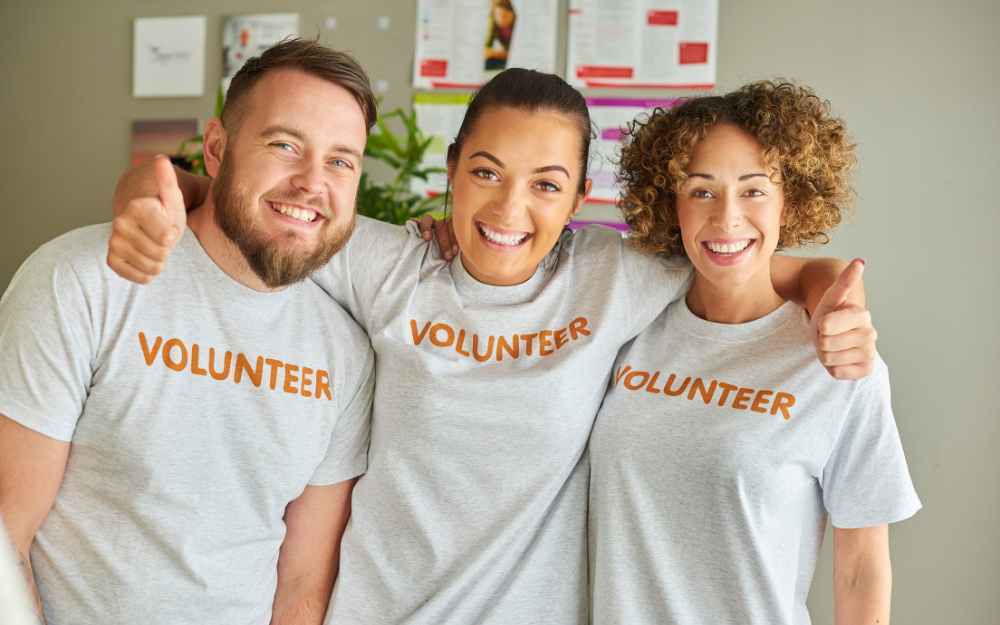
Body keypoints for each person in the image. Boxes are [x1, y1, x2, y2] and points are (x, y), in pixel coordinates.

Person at [106, 67, 877, 625]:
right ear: (451, 173)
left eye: (546, 184)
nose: (510, 206)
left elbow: (742, 254)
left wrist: (829, 281)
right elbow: (258, 205)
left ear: (580, 201)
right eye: (486, 171)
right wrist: (145, 180)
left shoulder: (613, 276)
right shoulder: (392, 267)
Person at [0, 39, 377, 625]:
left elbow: (302, 583)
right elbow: (6, 530)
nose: (312, 182)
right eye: (285, 145)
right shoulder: (78, 280)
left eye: (340, 161)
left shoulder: (346, 352)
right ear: (218, 149)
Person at [588, 81, 920, 625]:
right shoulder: (627, 326)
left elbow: (861, 566)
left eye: (754, 190)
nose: (726, 218)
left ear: (792, 199)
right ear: (670, 203)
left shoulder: (840, 359)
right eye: (700, 191)